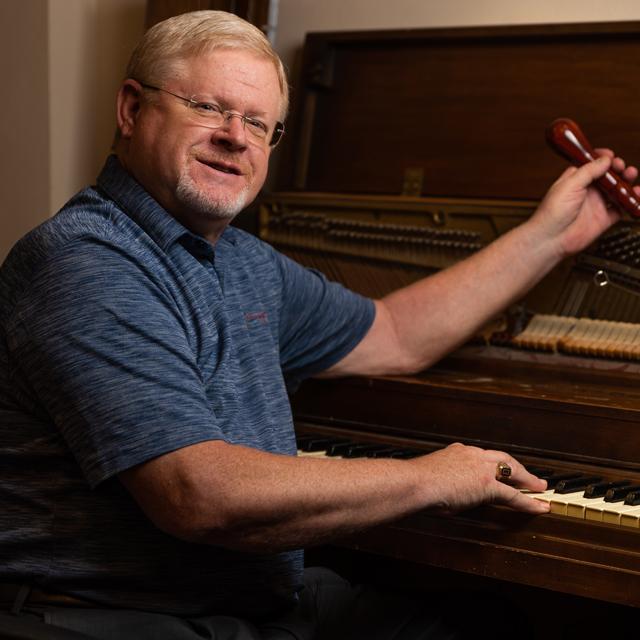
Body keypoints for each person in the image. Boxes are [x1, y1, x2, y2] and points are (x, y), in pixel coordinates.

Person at [0, 9, 637, 640]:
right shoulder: (83, 259)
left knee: (495, 623)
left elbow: (394, 334)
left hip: (250, 600)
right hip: (110, 615)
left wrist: (553, 237)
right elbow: (200, 494)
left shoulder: (243, 261)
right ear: (132, 110)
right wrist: (431, 476)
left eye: (258, 123)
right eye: (207, 107)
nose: (236, 136)